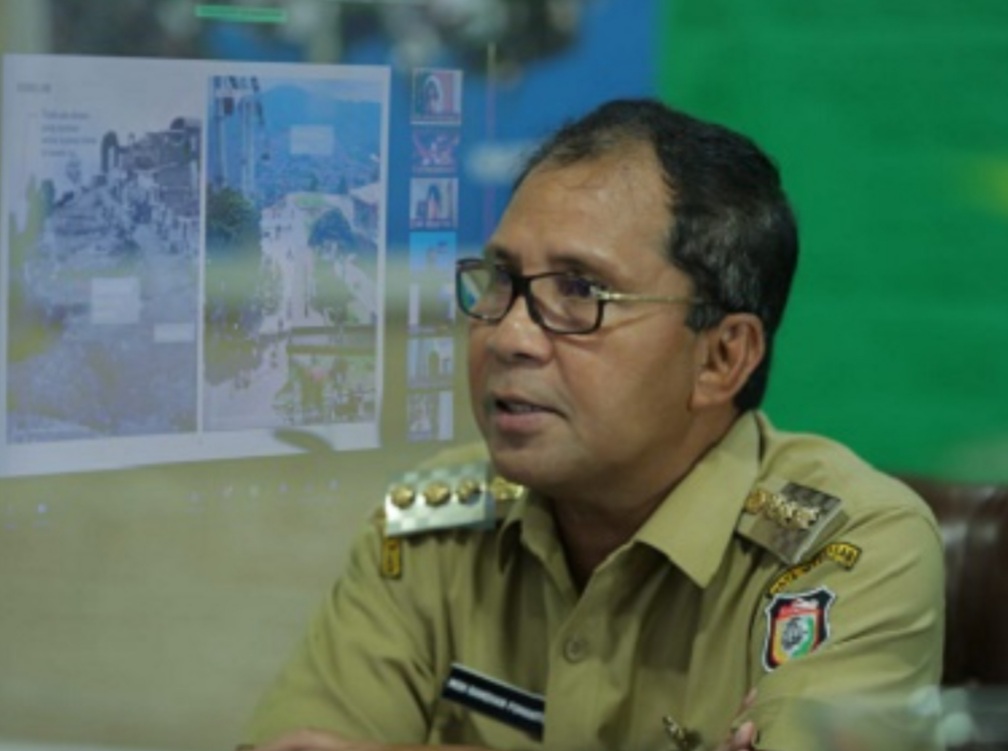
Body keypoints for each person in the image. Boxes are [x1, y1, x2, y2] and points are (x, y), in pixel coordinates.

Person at [241, 99, 944, 751]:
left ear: (721, 357)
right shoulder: (432, 524)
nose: (510, 335)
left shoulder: (851, 549)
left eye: (580, 291)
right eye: (501, 280)